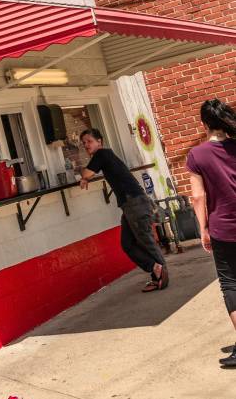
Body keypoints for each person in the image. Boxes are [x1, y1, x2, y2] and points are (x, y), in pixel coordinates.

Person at [79, 128, 168, 292]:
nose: (86, 145)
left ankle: (160, 276)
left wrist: (84, 177)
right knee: (127, 244)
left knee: (145, 241)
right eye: (83, 143)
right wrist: (85, 177)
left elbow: (87, 172)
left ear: (100, 141)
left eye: (89, 141)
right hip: (131, 204)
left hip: (134, 203)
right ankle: (156, 269)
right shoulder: (105, 155)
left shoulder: (102, 154)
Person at [186, 99, 236, 367]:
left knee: (231, 284)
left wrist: (203, 228)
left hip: (223, 228)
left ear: (204, 124)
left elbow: (197, 196)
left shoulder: (197, 155)